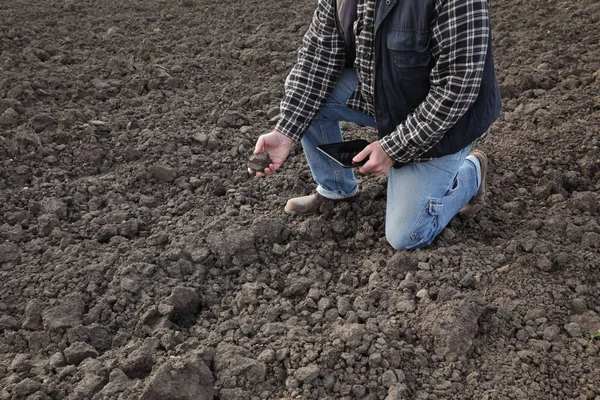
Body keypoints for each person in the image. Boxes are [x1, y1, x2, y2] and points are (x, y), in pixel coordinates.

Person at [248, 0, 501, 250]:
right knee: (307, 93)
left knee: (407, 235)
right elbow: (317, 57)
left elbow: (457, 90)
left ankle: (472, 171)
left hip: (447, 120)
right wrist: (285, 131)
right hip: (387, 97)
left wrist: (392, 148)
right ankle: (336, 190)